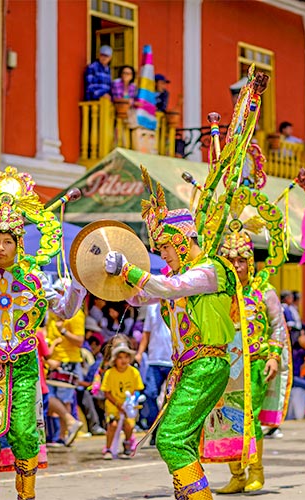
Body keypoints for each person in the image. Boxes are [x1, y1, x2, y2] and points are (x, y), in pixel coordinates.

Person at [0, 167, 86, 500]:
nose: (0, 248)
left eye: (7, 241)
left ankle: (27, 496)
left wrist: (78, 287)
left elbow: (64, 311)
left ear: (18, 243)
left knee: (25, 432)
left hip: (25, 364)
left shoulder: (36, 280)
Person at [104, 201, 235, 497]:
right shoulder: (180, 276)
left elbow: (168, 288)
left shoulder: (210, 270)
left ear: (183, 240)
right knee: (184, 440)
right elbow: (141, 297)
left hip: (207, 365)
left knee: (170, 438)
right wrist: (106, 278)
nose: (162, 254)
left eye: (166, 246)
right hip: (189, 367)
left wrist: (128, 269)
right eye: (159, 247)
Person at [215, 227, 288, 494]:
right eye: (231, 260)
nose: (236, 265)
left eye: (241, 260)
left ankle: (256, 471)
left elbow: (277, 325)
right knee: (227, 419)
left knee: (249, 417)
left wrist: (273, 356)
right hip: (226, 366)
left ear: (250, 261)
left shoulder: (263, 290)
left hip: (255, 363)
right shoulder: (220, 292)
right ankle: (237, 474)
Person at [46, 279, 87, 446]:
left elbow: (79, 340)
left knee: (63, 399)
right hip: (54, 359)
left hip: (68, 360)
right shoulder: (53, 312)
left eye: (60, 292)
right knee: (52, 397)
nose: (57, 295)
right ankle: (64, 434)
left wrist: (63, 330)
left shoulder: (75, 313)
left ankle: (64, 435)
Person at [135, 302, 173, 445]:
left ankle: (168, 433)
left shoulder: (179, 301)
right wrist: (140, 353)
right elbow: (147, 332)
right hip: (154, 359)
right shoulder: (152, 307)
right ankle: (155, 428)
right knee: (149, 394)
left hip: (173, 360)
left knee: (172, 398)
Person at [101, 339, 144, 459]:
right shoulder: (110, 373)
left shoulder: (134, 372)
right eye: (120, 357)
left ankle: (127, 444)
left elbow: (137, 389)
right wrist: (118, 404)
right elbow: (106, 392)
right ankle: (108, 448)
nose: (123, 360)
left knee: (129, 425)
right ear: (115, 359)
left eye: (126, 357)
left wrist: (129, 402)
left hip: (128, 406)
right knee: (113, 425)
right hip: (113, 405)